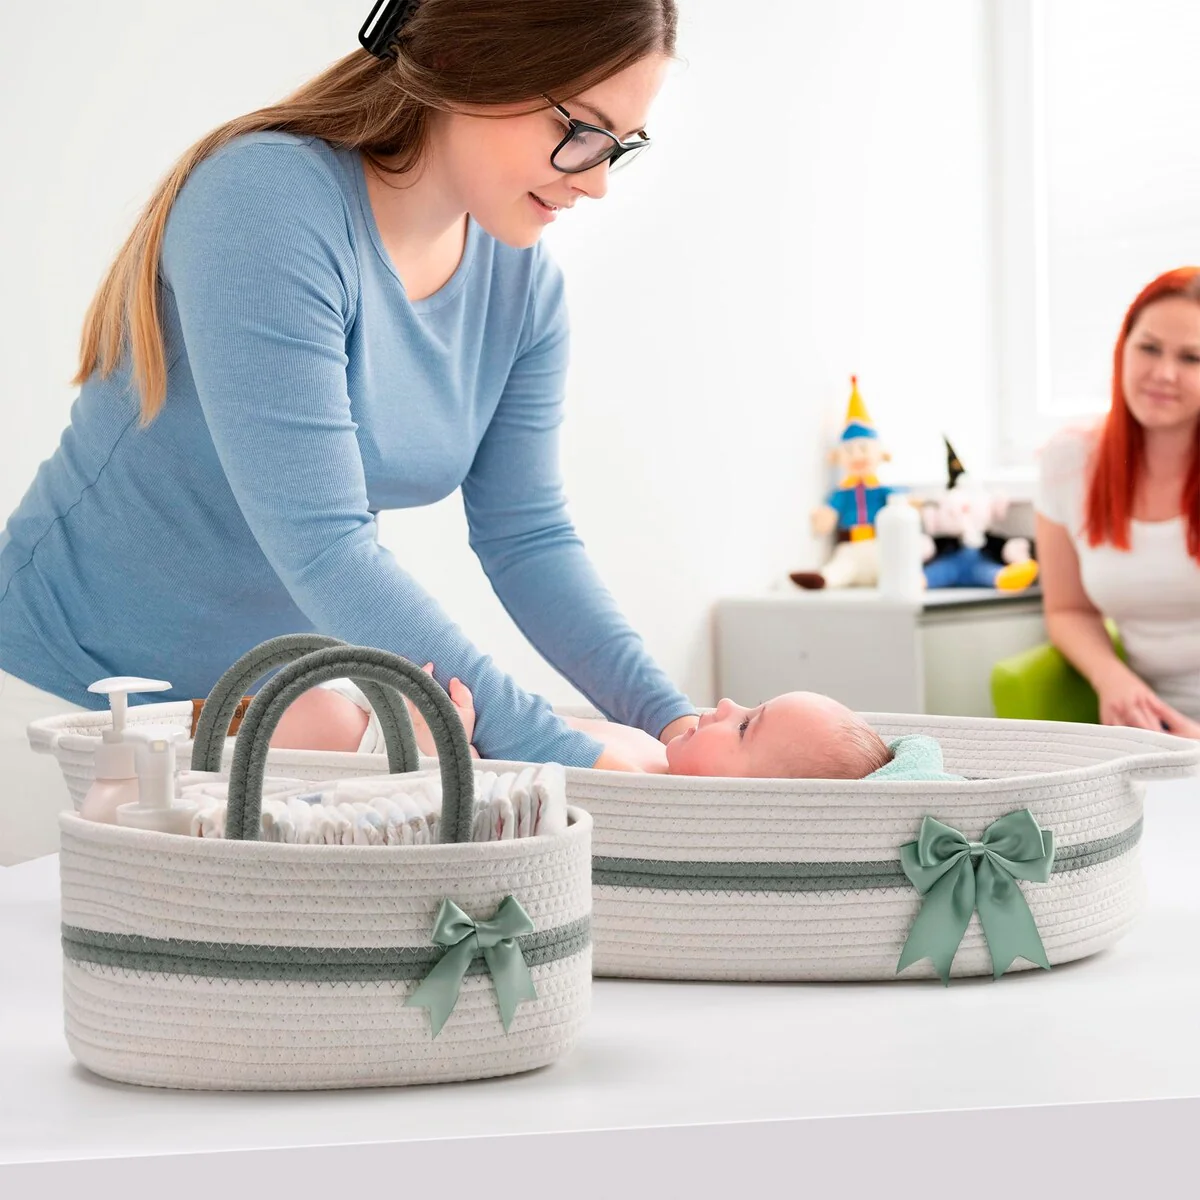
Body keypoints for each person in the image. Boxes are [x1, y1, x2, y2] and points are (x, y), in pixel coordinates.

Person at [0, 0, 698, 864]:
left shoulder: (523, 287)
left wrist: (677, 727)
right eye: (580, 131)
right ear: (473, 68)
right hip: (67, 707)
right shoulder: (264, 200)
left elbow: (528, 538)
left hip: (263, 739)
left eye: (619, 145)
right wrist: (565, 754)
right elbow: (324, 545)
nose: (595, 181)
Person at [1035, 266, 1200, 736]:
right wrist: (1112, 679)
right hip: (1155, 731)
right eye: (1149, 348)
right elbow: (1068, 610)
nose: (1163, 374)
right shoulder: (1068, 461)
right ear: (1122, 348)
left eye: (1192, 357)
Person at [269, 672, 896, 780]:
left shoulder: (632, 787)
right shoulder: (653, 751)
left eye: (744, 729)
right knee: (302, 702)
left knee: (315, 715)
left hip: (412, 766)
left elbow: (499, 809)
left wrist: (442, 743)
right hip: (399, 729)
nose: (727, 705)